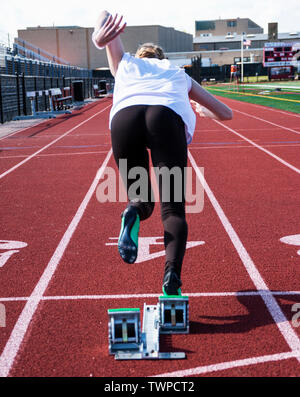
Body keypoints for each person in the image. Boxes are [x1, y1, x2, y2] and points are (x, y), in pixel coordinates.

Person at [92, 11, 233, 295]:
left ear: (140, 56)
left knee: (141, 199)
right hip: (165, 119)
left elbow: (106, 24)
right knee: (173, 211)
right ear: (162, 58)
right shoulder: (176, 73)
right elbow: (226, 113)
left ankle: (133, 210)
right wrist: (206, 112)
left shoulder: (126, 65)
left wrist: (99, 39)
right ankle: (171, 279)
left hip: (125, 119)